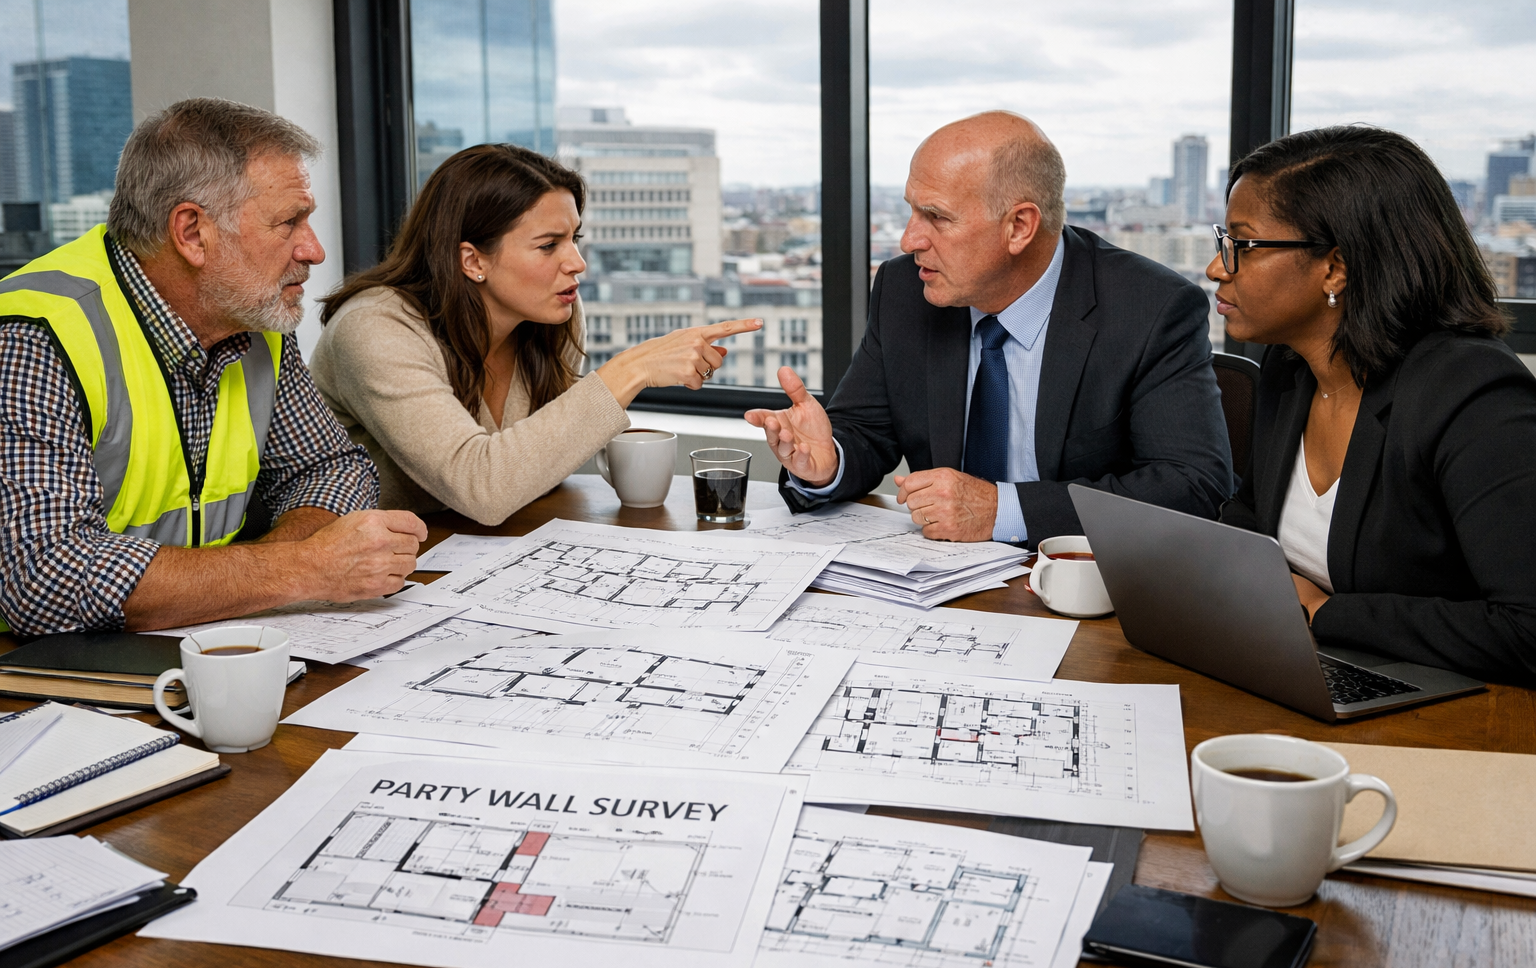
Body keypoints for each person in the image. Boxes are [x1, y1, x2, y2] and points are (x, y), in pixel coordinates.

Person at [0, 98, 423, 636]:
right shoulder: (35, 338)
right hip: (37, 681)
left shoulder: (252, 318)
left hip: (198, 641)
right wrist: (304, 569)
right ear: (192, 233)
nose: (313, 250)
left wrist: (252, 579)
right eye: (289, 222)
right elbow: (44, 579)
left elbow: (331, 469)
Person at [745, 111, 1233, 545]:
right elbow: (866, 431)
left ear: (1019, 226)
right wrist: (829, 461)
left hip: (1085, 590)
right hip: (937, 586)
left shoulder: (1150, 308)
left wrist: (1003, 511)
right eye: (912, 211)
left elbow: (1191, 485)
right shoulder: (904, 289)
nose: (909, 239)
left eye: (936, 217)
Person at [1214, 125, 1536, 682]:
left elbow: (1527, 629)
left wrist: (1325, 613)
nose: (1219, 267)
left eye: (1242, 246)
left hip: (1452, 719)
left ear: (1335, 268)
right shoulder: (1290, 368)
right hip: (1306, 671)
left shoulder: (1474, 396)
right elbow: (1250, 516)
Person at [311, 145, 761, 524]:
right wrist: (633, 369)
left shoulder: (555, 315)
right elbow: (481, 489)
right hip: (355, 578)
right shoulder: (374, 329)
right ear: (473, 261)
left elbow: (536, 465)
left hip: (472, 553)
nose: (576, 263)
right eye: (549, 246)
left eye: (574, 239)